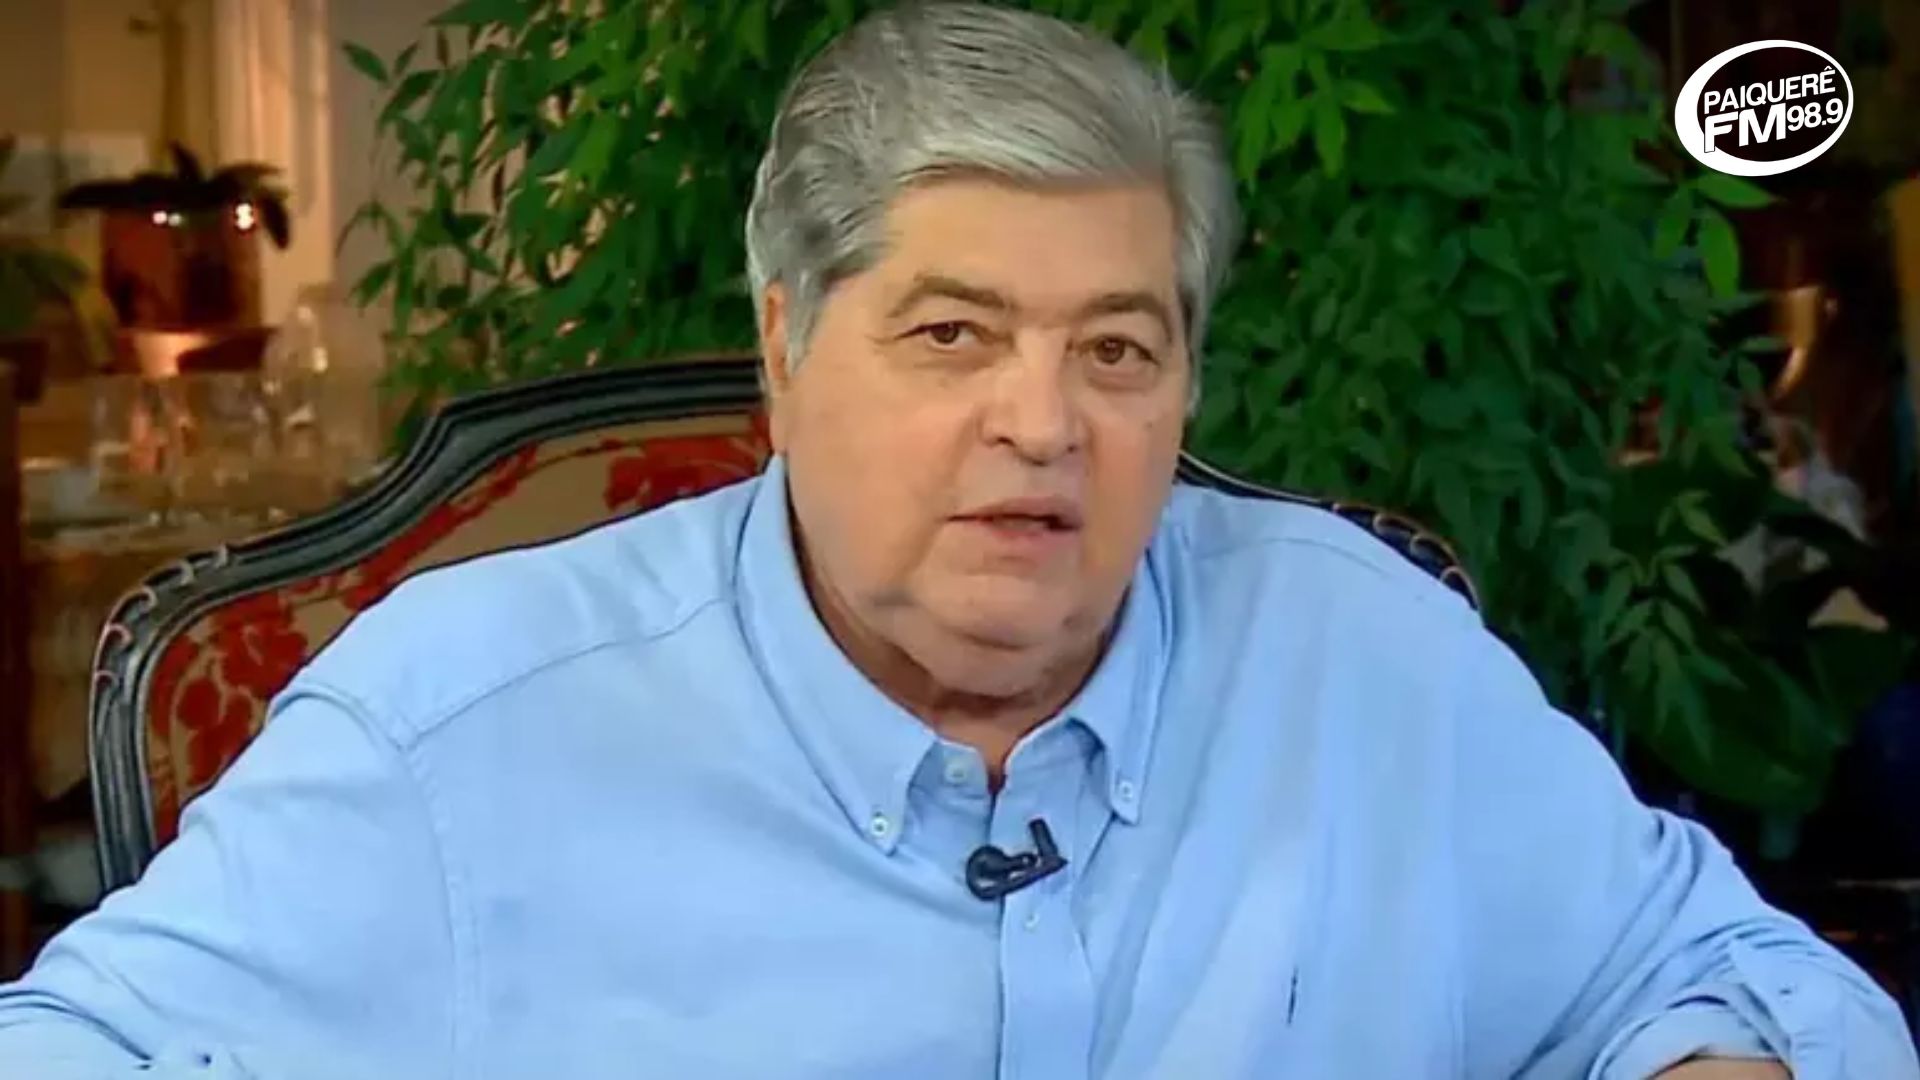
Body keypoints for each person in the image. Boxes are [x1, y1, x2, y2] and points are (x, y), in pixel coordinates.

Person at [1, 3, 1913, 1077]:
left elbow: (1741, 978)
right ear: (783, 347)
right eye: (951, 335)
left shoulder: (1367, 659)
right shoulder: (458, 726)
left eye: (1118, 349)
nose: (1043, 422)